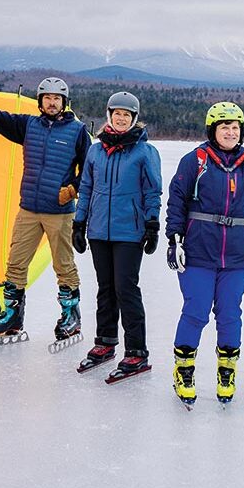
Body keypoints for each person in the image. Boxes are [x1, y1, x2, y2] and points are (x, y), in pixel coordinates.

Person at [0, 75, 91, 340]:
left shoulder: (78, 131)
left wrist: (72, 189)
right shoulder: (28, 126)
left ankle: (71, 316)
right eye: (47, 98)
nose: (51, 103)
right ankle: (12, 316)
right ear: (40, 102)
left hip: (59, 212)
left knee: (64, 265)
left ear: (64, 102)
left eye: (56, 99)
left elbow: (90, 169)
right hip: (29, 208)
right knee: (16, 264)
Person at [165, 102, 244, 406]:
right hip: (199, 251)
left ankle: (227, 371)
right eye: (224, 127)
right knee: (196, 311)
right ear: (213, 130)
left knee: (229, 314)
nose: (230, 132)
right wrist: (174, 239)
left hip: (236, 256)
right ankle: (183, 370)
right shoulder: (195, 161)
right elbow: (177, 200)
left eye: (236, 127)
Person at [72, 91, 162, 378]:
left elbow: (152, 191)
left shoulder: (145, 151)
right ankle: (105, 342)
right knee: (105, 288)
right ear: (109, 115)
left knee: (126, 289)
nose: (121, 118)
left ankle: (136, 351)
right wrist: (79, 223)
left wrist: (152, 224)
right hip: (99, 230)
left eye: (127, 114)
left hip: (129, 231)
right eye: (117, 113)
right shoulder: (96, 150)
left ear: (134, 119)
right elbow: (86, 188)